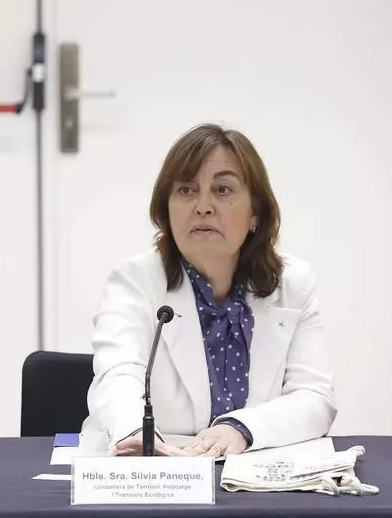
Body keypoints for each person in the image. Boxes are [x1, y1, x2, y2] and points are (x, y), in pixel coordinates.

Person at [81, 124, 336, 456]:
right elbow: (117, 374)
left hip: (253, 468)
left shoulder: (293, 283)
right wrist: (139, 439)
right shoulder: (134, 280)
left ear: (255, 212)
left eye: (223, 190)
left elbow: (315, 397)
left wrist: (242, 428)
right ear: (166, 209)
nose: (203, 206)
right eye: (187, 190)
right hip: (157, 469)